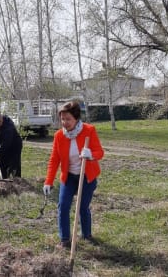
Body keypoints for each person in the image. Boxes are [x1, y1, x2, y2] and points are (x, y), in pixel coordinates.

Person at [43, 101, 104, 248]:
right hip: (68, 176)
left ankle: (87, 235)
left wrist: (90, 154)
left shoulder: (88, 130)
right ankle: (64, 239)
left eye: (68, 119)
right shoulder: (59, 136)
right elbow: (54, 159)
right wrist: (48, 181)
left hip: (87, 176)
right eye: (62, 119)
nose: (65, 122)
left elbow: (100, 152)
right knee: (63, 206)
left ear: (76, 118)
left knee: (82, 207)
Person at [0, 112, 23, 179]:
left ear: (2, 119)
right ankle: (3, 181)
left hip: (14, 147)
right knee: (1, 163)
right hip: (3, 146)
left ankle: (17, 182)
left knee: (13, 166)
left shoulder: (9, 126)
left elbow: (6, 142)